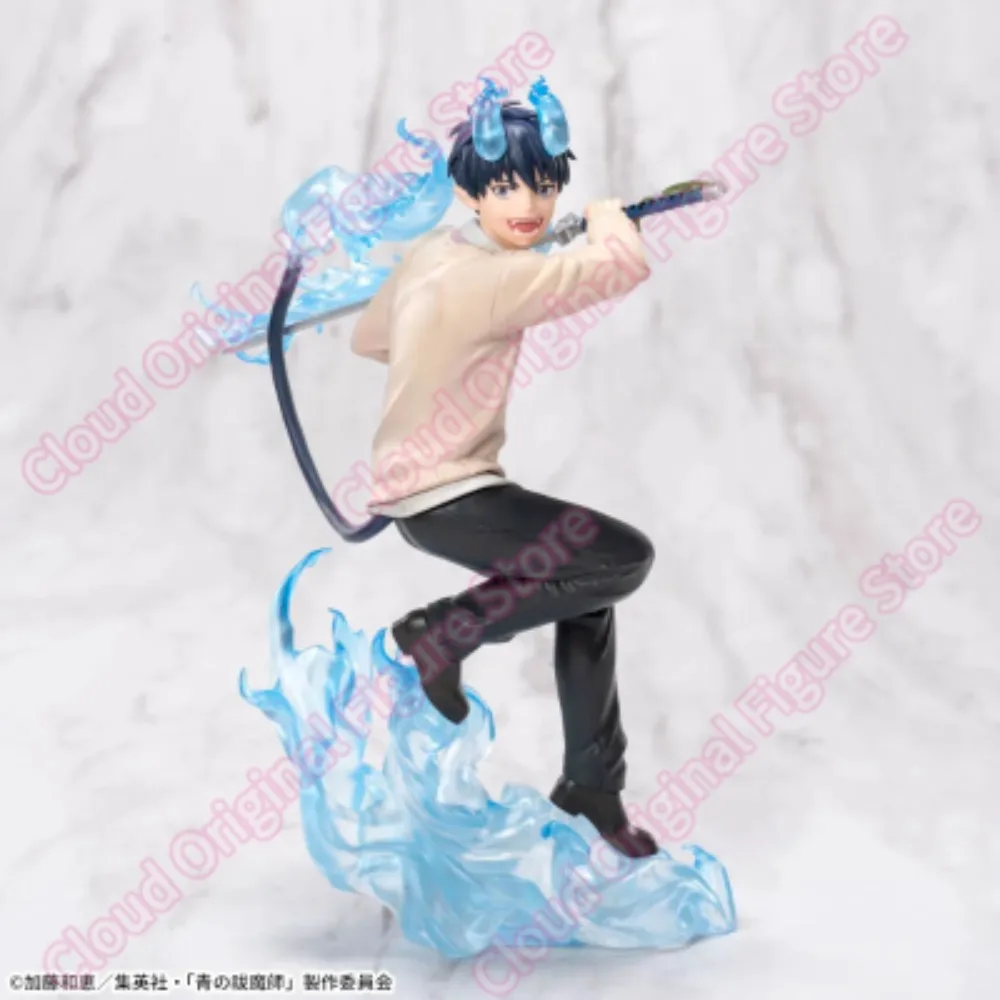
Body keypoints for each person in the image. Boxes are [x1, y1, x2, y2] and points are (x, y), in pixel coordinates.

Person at [350, 88, 659, 858]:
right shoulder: (492, 281)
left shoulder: (437, 255)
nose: (529, 204)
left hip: (424, 486)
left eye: (544, 186)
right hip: (450, 492)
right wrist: (606, 219)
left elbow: (370, 338)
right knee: (625, 557)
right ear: (469, 191)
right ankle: (442, 633)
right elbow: (621, 264)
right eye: (505, 186)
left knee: (589, 590)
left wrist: (443, 336)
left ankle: (592, 785)